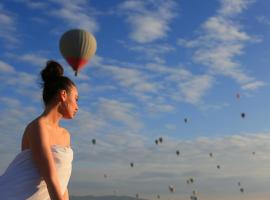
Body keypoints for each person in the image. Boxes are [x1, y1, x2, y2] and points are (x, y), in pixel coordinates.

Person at [0, 60, 79, 200]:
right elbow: (50, 178)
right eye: (76, 98)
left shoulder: (66, 135)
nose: (77, 106)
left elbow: (62, 181)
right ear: (63, 95)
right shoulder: (38, 127)